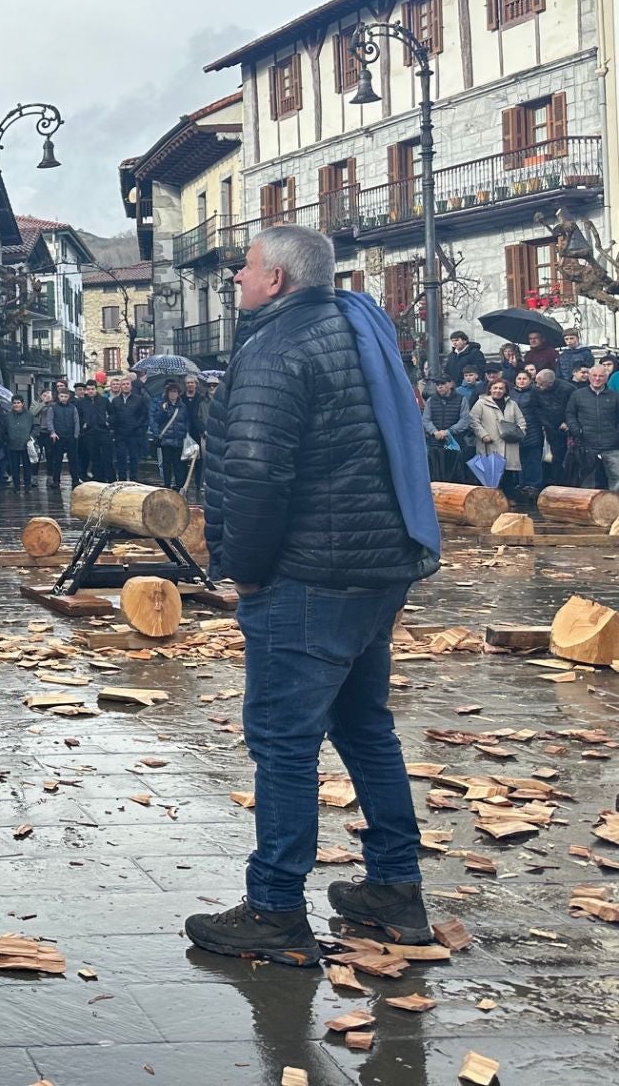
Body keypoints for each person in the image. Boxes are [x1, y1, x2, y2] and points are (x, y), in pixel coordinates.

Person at [187, 225, 440, 965]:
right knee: (366, 728)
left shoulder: (276, 348)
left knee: (284, 743)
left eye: (248, 266)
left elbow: (259, 474)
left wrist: (247, 569)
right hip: (375, 567)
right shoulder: (356, 328)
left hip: (307, 574)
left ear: (279, 280)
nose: (236, 275)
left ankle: (273, 908)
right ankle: (396, 889)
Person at [470, 377, 529, 501]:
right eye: (495, 388)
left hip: (509, 445)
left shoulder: (512, 404)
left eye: (501, 388)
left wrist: (519, 433)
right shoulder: (481, 403)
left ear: (505, 390)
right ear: (490, 389)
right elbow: (473, 421)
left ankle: (508, 500)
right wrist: (483, 434)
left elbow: (521, 421)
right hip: (489, 444)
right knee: (490, 476)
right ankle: (490, 501)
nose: (498, 390)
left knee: (508, 476)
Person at [565, 361, 619, 487]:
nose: (597, 379)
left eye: (601, 376)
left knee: (616, 478)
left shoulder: (615, 396)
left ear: (606, 378)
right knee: (587, 480)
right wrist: (577, 430)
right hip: (587, 445)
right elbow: (570, 414)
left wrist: (616, 434)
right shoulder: (578, 395)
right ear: (589, 377)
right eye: (594, 375)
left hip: (611, 445)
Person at [420, 377, 472, 484]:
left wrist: (448, 431)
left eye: (443, 383)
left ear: (450, 384)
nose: (440, 386)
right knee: (435, 476)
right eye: (438, 384)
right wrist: (434, 432)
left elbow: (464, 420)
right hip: (435, 444)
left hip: (455, 443)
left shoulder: (461, 399)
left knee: (455, 475)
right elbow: (426, 420)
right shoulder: (431, 400)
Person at [529, 367, 572, 489]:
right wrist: (546, 423)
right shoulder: (536, 390)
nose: (537, 386)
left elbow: (574, 407)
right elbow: (535, 408)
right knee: (555, 458)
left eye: (540, 384)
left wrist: (568, 422)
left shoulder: (567, 389)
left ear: (549, 383)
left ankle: (570, 484)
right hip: (550, 428)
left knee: (569, 458)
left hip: (567, 428)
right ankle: (556, 483)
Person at [110, 376, 150, 481]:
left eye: (127, 384)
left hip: (134, 433)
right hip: (120, 433)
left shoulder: (139, 399)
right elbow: (113, 415)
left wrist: (138, 426)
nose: (125, 386)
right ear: (121, 387)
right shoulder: (115, 401)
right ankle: (122, 478)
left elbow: (144, 415)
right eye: (123, 384)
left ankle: (133, 478)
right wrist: (113, 427)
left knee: (134, 457)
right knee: (121, 457)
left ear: (131, 386)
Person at [41, 385, 81, 489]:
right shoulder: (53, 407)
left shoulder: (73, 408)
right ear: (58, 396)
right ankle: (56, 481)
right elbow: (49, 421)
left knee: (73, 460)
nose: (63, 398)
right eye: (61, 396)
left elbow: (76, 421)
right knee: (57, 460)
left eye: (65, 396)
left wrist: (76, 434)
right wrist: (52, 432)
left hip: (71, 436)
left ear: (69, 397)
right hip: (58, 436)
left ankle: (75, 480)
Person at [76, 378, 113, 482]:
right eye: (88, 389)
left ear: (96, 389)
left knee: (107, 456)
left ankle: (110, 477)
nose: (90, 391)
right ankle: (98, 478)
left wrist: (108, 422)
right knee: (94, 456)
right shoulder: (82, 403)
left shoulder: (104, 401)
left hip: (103, 431)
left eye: (92, 389)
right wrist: (84, 423)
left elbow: (112, 413)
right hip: (90, 432)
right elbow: (78, 416)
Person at [3, 394, 35, 490]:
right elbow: (3, 429)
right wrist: (7, 438)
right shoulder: (7, 416)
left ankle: (27, 485)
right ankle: (16, 486)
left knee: (27, 466)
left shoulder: (29, 415)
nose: (16, 405)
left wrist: (31, 437)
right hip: (12, 445)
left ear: (23, 404)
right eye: (14, 403)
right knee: (14, 467)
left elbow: (35, 427)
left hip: (26, 445)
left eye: (18, 403)